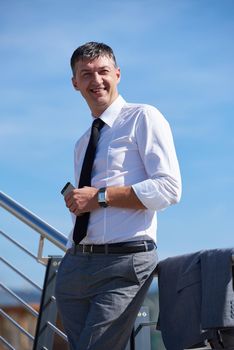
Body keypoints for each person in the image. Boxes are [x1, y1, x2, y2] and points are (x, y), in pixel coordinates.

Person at [55, 41, 182, 350]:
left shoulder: (144, 117)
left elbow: (169, 188)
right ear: (75, 83)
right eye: (86, 74)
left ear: (118, 74)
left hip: (124, 263)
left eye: (103, 71)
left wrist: (99, 197)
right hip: (75, 266)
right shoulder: (82, 142)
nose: (96, 80)